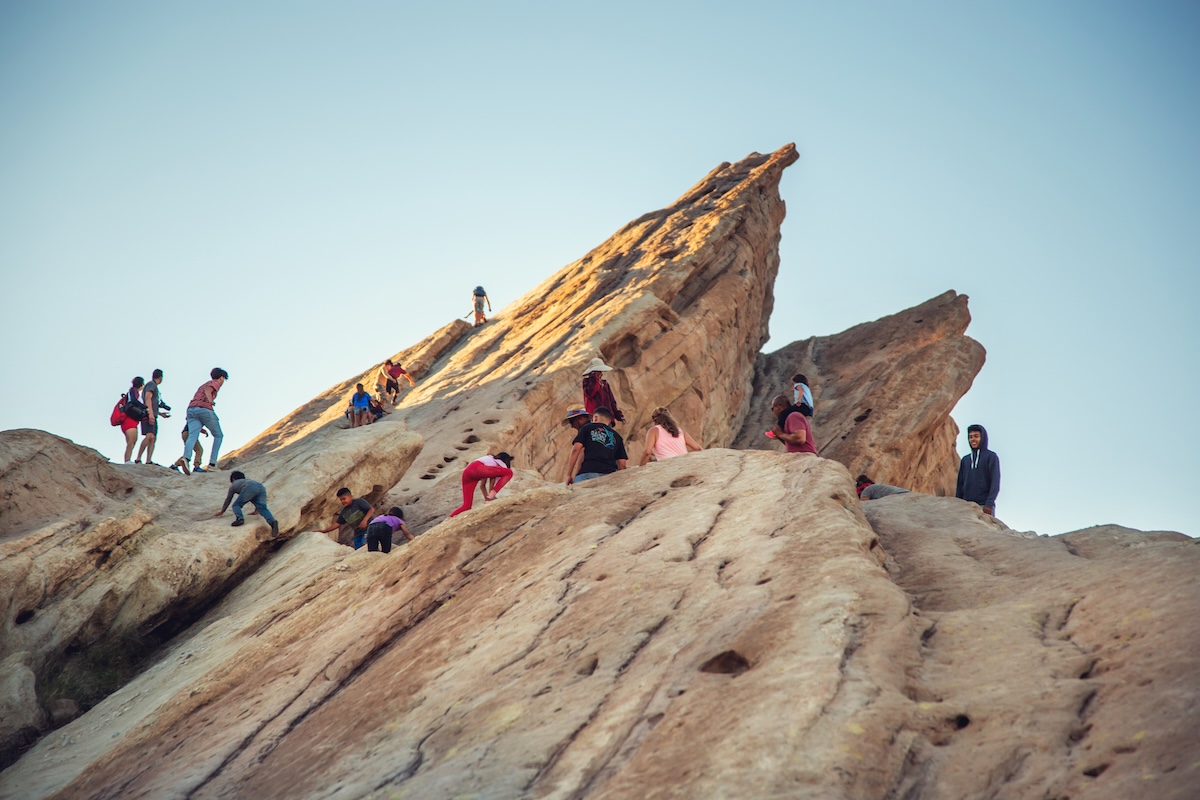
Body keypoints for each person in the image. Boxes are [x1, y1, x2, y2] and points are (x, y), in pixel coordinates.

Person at [180, 368, 227, 473]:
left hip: (191, 410)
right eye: (223, 379)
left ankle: (186, 458)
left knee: (192, 435)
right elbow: (208, 390)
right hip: (204, 409)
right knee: (218, 435)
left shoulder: (203, 384)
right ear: (221, 377)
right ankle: (212, 464)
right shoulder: (215, 383)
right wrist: (211, 402)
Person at [566, 407, 628, 484]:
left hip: (588, 473)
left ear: (595, 418)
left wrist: (569, 475)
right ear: (609, 421)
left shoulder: (587, 428)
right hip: (609, 475)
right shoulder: (617, 437)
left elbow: (576, 449)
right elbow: (622, 465)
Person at [215, 470, 279, 538]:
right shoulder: (248, 481)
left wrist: (222, 511)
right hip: (261, 487)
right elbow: (254, 497)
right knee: (262, 508)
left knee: (236, 505)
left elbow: (228, 499)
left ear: (233, 479)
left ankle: (240, 519)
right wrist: (256, 510)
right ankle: (272, 522)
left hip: (250, 488)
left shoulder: (234, 484)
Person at [449, 452, 514, 517]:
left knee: (467, 506)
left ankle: (448, 519)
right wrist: (492, 494)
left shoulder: (488, 461)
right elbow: (492, 479)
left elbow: (482, 486)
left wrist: (487, 499)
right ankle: (492, 494)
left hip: (468, 472)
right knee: (509, 472)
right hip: (477, 469)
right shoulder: (497, 462)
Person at [956, 424, 1000, 515]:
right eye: (970, 437)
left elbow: (995, 481)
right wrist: (958, 504)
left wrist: (989, 503)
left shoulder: (991, 457)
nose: (973, 439)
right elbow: (960, 484)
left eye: (976, 436)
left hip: (984, 505)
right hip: (966, 506)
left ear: (982, 438)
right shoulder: (965, 460)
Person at [135, 368, 169, 465]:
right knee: (149, 436)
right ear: (161, 377)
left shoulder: (153, 385)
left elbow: (151, 401)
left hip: (153, 414)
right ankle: (138, 459)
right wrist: (150, 413)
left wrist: (159, 413)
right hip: (148, 414)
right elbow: (147, 398)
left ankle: (148, 460)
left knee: (153, 437)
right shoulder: (151, 385)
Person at [581, 358, 625, 424]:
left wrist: (618, 415)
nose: (601, 373)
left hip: (607, 418)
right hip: (595, 418)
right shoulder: (587, 382)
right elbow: (590, 393)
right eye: (598, 371)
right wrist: (594, 378)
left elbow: (611, 401)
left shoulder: (605, 384)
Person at [119, 376, 146, 463]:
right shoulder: (133, 391)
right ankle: (127, 460)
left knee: (132, 441)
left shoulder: (133, 392)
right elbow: (133, 401)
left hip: (131, 420)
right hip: (129, 419)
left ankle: (128, 459)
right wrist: (144, 407)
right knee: (132, 440)